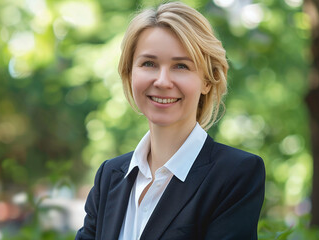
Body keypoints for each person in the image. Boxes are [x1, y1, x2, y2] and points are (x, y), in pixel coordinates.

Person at [75, 2, 265, 239]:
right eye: (149, 64)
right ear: (130, 73)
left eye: (181, 66)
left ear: (208, 81)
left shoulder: (235, 174)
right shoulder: (109, 176)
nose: (163, 81)